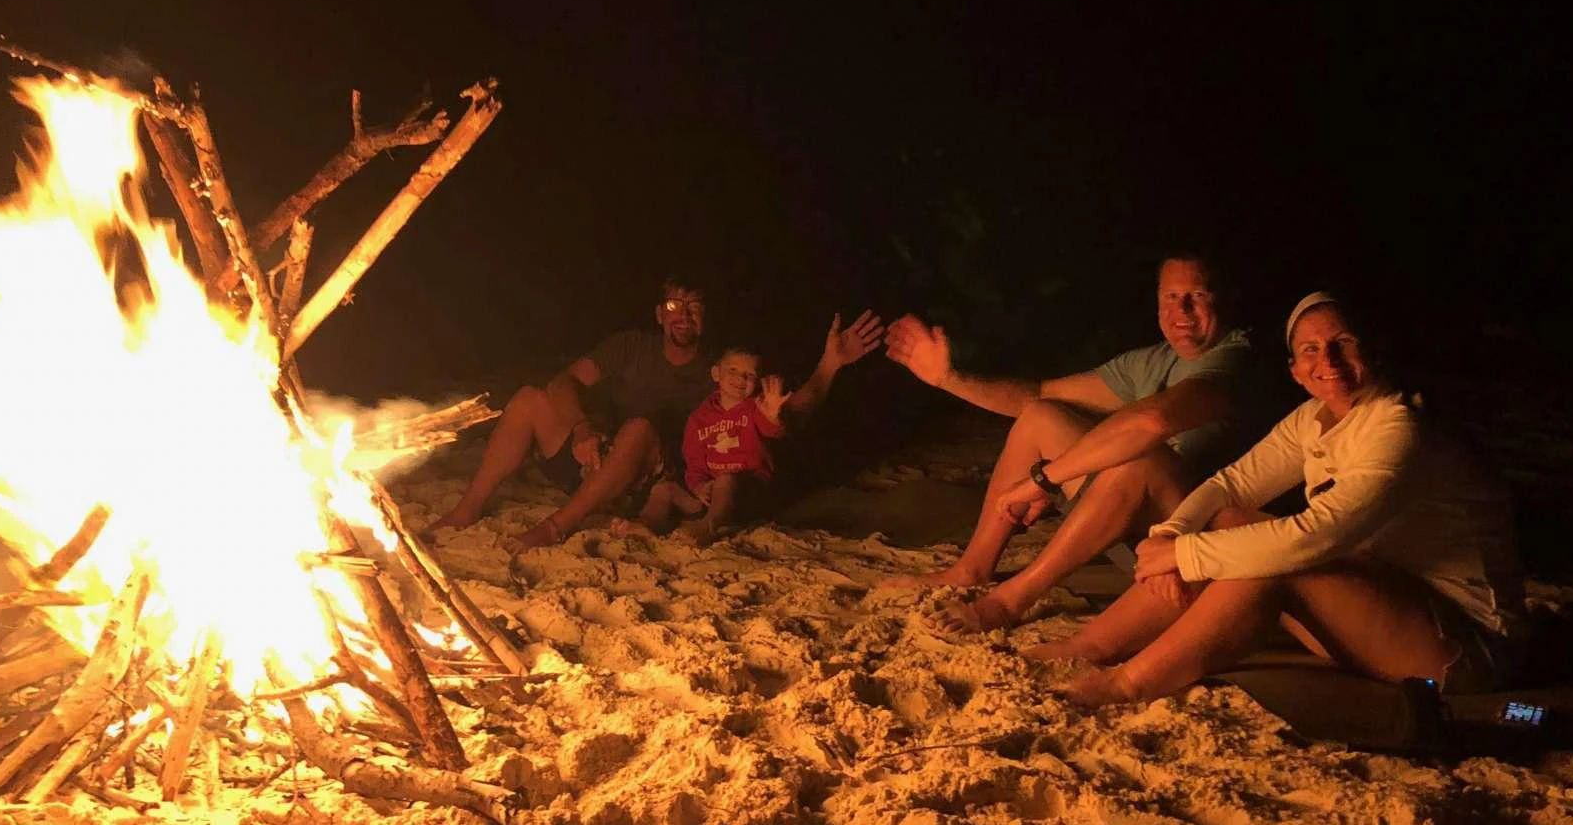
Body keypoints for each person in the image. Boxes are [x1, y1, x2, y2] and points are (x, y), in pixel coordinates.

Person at [1035, 292, 1527, 708]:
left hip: (1462, 645)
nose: (1327, 360)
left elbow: (1318, 536)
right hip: (1375, 608)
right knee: (1233, 521)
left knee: (1274, 559)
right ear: (1294, 370)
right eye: (1310, 349)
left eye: (1343, 343)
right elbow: (1231, 485)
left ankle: (1130, 683)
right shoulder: (1314, 418)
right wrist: (1171, 534)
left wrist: (1182, 556)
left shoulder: (1399, 426)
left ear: (1372, 350)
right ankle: (1092, 645)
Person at [884, 253, 1262, 632]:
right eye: (1171, 296)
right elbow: (1038, 394)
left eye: (1198, 295)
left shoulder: (1236, 358)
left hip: (1203, 536)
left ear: (1223, 299)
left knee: (1142, 458)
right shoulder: (1152, 361)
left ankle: (1008, 601)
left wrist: (1045, 479)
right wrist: (949, 379)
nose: (1182, 310)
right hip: (1137, 524)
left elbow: (1152, 421)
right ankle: (971, 569)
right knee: (1040, 416)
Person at [432, 274, 881, 549]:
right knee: (531, 397)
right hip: (592, 459)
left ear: (705, 317)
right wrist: (583, 428)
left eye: (694, 307)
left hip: (647, 482)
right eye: (673, 305)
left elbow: (785, 408)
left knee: (641, 427)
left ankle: (555, 528)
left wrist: (829, 365)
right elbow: (562, 383)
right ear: (659, 315)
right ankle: (468, 508)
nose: (683, 314)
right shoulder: (630, 347)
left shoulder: (721, 368)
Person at [632, 346, 790, 543]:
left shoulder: (756, 408)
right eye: (733, 370)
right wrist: (698, 487)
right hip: (710, 496)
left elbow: (773, 432)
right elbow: (694, 461)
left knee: (726, 480)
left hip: (749, 493)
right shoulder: (699, 418)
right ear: (716, 373)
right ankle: (647, 523)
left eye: (749, 375)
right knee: (665, 489)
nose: (740, 378)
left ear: (757, 382)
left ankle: (710, 527)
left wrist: (773, 416)